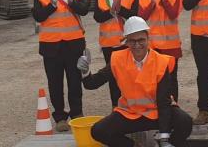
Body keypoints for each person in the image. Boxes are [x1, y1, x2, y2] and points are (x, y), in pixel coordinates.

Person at [78, 17, 193, 147]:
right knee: (98, 131)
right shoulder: (117, 59)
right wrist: (85, 72)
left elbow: (163, 102)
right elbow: (92, 84)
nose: (137, 45)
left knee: (185, 122)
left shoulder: (161, 62)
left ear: (148, 39)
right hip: (130, 113)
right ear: (126, 41)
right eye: (132, 41)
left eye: (141, 40)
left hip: (157, 113)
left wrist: (165, 139)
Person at [31, 0, 90, 132]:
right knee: (55, 83)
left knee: (74, 82)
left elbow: (85, 10)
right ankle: (60, 117)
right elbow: (38, 16)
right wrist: (51, 6)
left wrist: (72, 3)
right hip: (51, 47)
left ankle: (77, 113)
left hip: (73, 44)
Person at [93, 0, 140, 107]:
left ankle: (131, 104)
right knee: (112, 77)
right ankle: (116, 106)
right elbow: (97, 17)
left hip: (127, 43)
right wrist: (111, 11)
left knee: (129, 76)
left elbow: (135, 15)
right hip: (109, 45)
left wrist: (120, 10)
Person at [138, 0, 183, 100]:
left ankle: (173, 106)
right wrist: (152, 5)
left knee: (170, 80)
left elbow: (173, 14)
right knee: (152, 80)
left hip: (170, 46)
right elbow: (141, 17)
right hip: (151, 46)